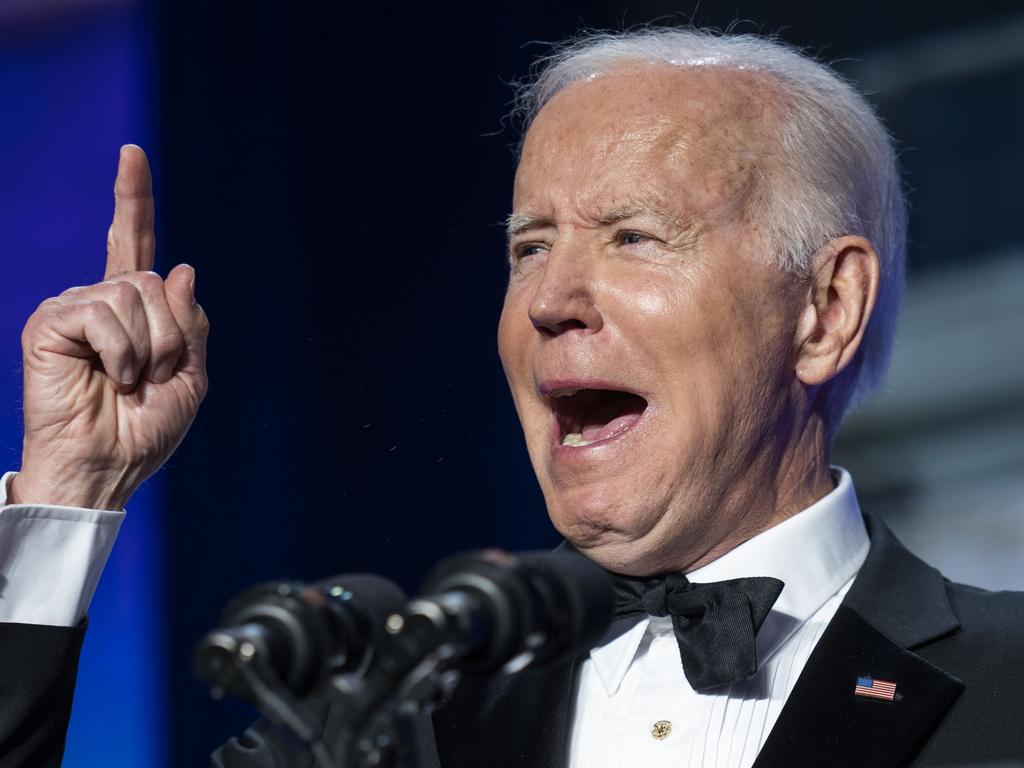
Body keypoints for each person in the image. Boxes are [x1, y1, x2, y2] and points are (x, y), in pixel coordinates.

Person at [1, 27, 1021, 768]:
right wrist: (71, 491)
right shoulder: (389, 710)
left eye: (633, 236)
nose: (548, 300)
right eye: (528, 247)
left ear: (824, 308)